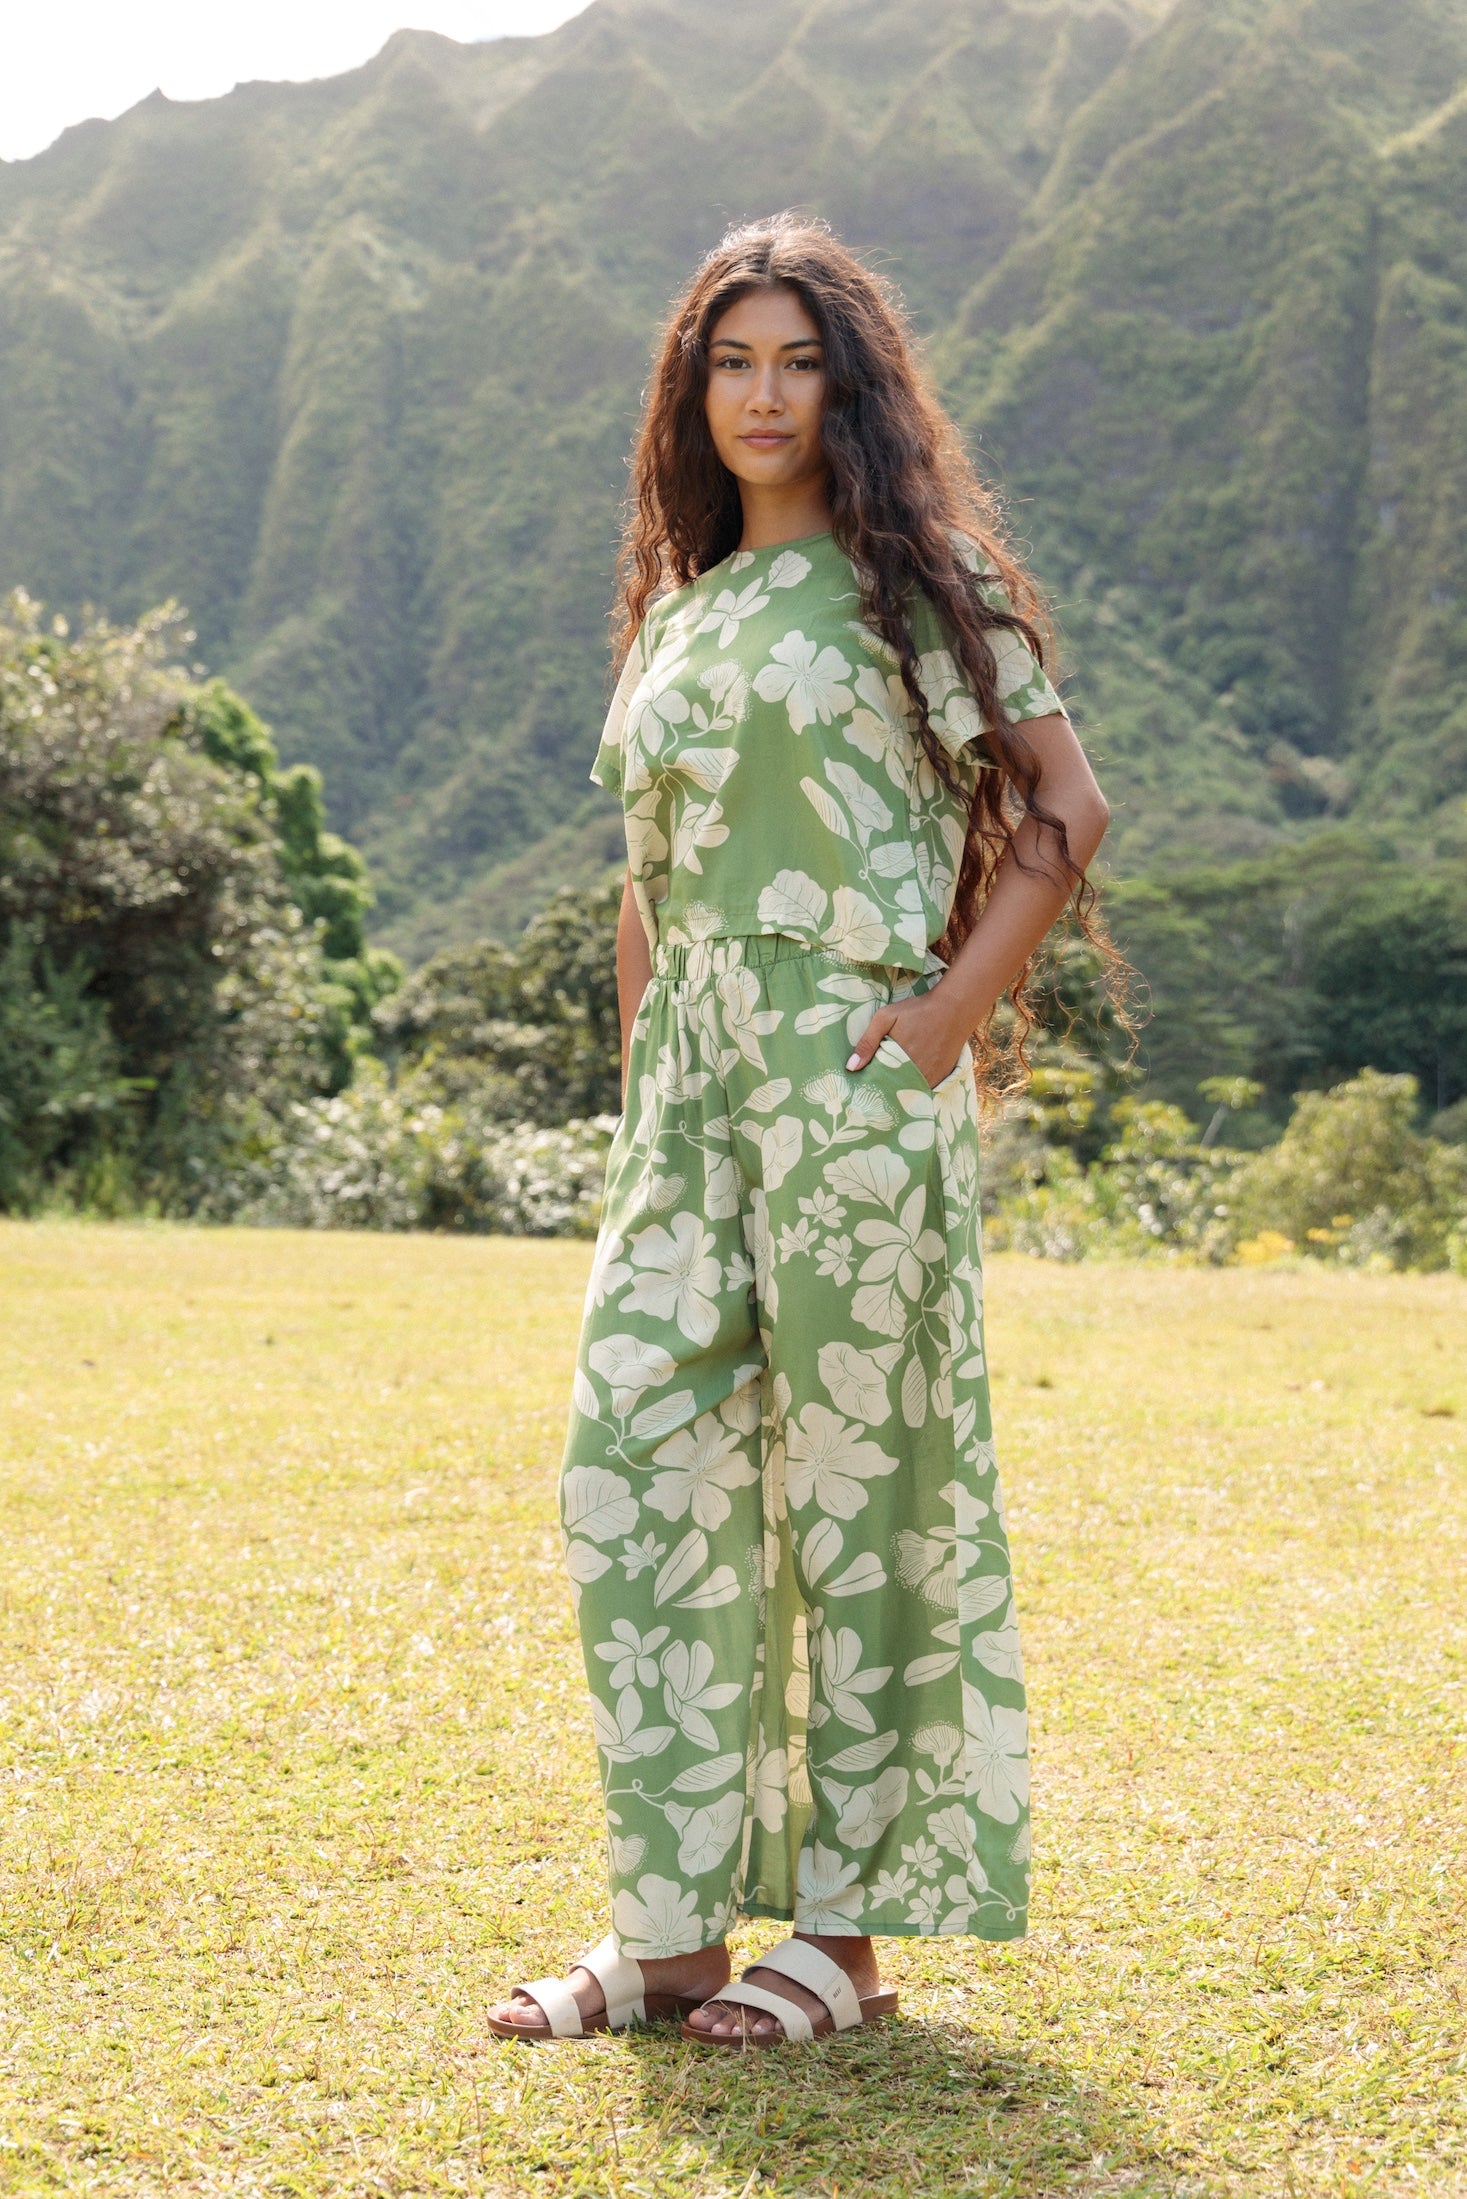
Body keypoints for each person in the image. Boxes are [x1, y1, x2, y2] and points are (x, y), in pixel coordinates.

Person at [488, 213, 1111, 2048]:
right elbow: (644, 879)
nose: (761, 395)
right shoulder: (681, 607)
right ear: (695, 391)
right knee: (635, 1478)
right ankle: (668, 1931)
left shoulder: (926, 583)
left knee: (864, 1495)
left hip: (851, 1081)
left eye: (797, 360)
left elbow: (1063, 810)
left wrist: (933, 1035)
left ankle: (838, 1934)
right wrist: (642, 1092)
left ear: (851, 383)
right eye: (728, 363)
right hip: (686, 1096)